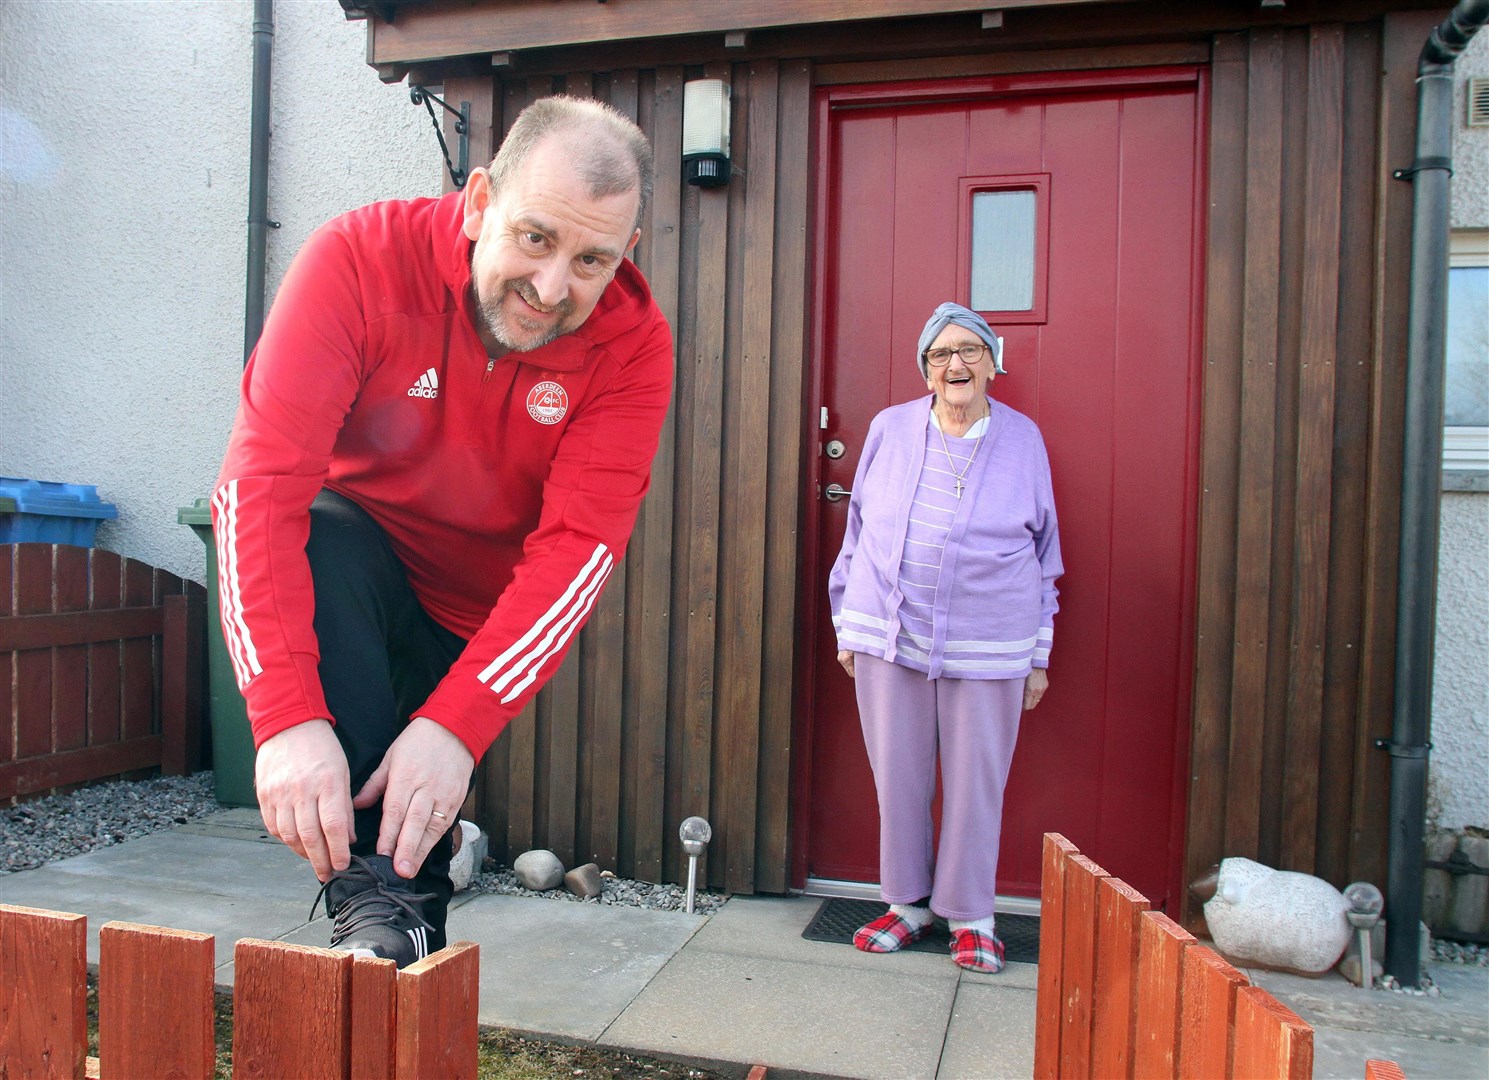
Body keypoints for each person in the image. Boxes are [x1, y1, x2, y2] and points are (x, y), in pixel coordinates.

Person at [211, 96, 673, 968]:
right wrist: (283, 719)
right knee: (319, 529)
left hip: (472, 618)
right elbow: (260, 487)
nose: (551, 290)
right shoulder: (356, 262)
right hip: (350, 568)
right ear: (477, 201)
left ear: (625, 255)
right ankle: (391, 916)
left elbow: (578, 552)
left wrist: (456, 724)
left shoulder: (633, 346)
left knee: (421, 770)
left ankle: (411, 879)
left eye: (591, 261)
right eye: (535, 238)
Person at [827, 301, 1062, 974]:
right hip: (886, 632)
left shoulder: (1022, 439)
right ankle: (906, 905)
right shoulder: (889, 428)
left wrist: (1037, 653)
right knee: (897, 774)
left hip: (991, 639)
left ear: (992, 362)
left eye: (969, 351)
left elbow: (1045, 549)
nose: (954, 365)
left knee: (974, 781)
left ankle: (971, 915)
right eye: (939, 354)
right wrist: (847, 621)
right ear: (924, 369)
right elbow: (860, 529)